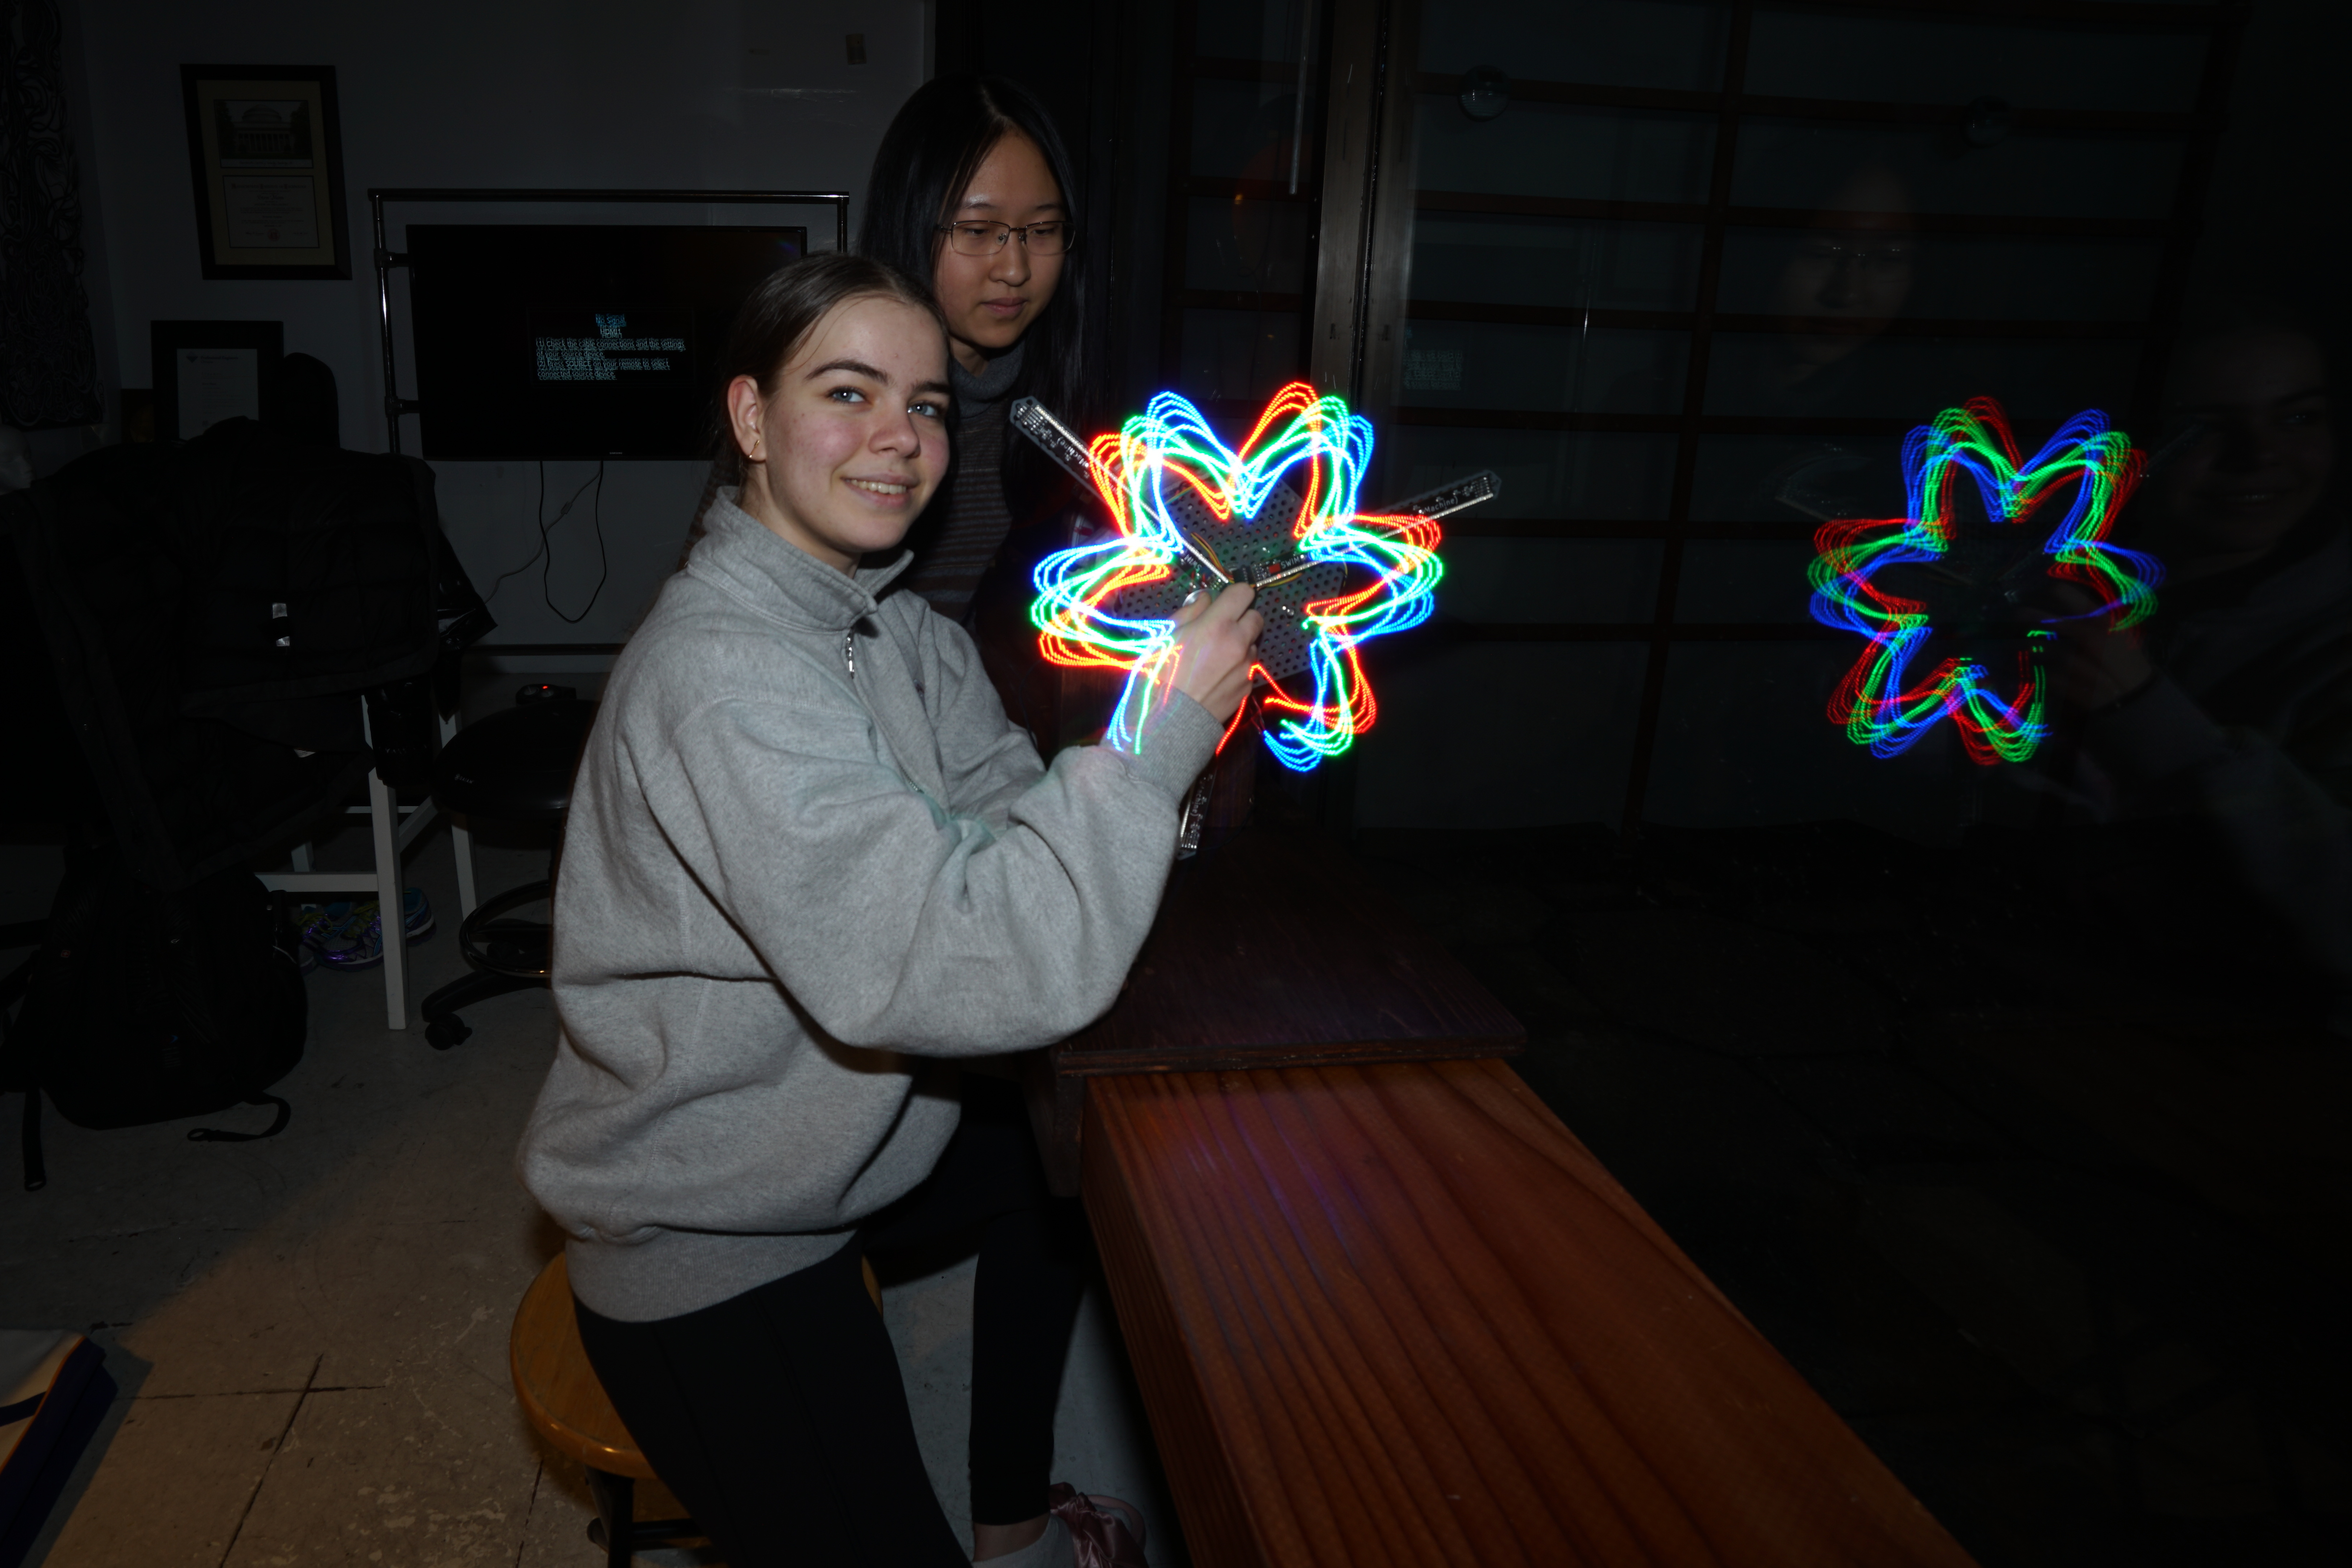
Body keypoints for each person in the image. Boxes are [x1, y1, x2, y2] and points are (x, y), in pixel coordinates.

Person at [517, 253, 1263, 1567]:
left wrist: (1108, 809)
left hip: (827, 1134)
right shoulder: (724, 677)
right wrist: (1154, 739)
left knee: (1070, 1163)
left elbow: (1004, 810)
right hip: (711, 1231)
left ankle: (1012, 1515)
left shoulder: (894, 631)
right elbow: (962, 951)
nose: (900, 438)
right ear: (752, 419)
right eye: (848, 393)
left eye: (924, 405)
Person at [860, 74, 1099, 747]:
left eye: (1041, 230)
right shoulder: (825, 393)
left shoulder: (1044, 411)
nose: (1015, 268)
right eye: (978, 230)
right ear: (912, 222)